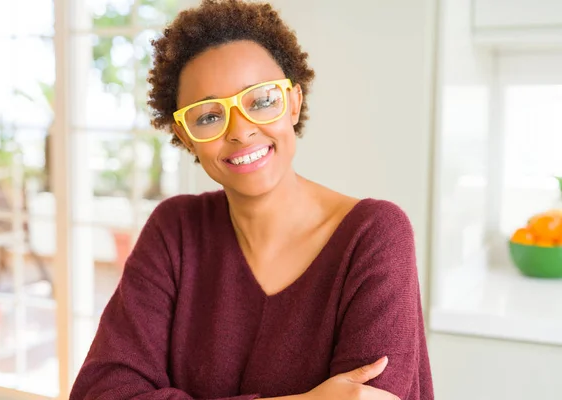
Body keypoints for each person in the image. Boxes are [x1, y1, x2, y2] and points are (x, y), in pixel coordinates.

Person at [69, 0, 434, 399]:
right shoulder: (174, 229)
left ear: (293, 103)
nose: (241, 131)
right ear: (186, 134)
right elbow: (100, 392)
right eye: (208, 116)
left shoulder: (374, 235)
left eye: (261, 101)